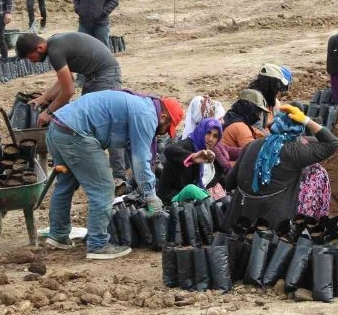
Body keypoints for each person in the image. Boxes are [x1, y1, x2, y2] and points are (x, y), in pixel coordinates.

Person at [44, 90, 183, 258]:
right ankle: (98, 244)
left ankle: (58, 235)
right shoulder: (147, 115)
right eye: (167, 129)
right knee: (103, 188)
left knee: (66, 183)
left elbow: (135, 153)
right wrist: (151, 195)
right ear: (164, 117)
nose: (164, 133)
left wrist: (143, 185)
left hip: (58, 127)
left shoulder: (141, 105)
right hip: (76, 134)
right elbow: (140, 159)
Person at [16, 32, 127, 183]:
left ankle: (119, 177)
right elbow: (67, 80)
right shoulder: (54, 43)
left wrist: (49, 112)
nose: (33, 62)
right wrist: (44, 98)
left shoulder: (55, 52)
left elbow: (68, 90)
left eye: (31, 57)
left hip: (105, 77)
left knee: (108, 126)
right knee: (89, 126)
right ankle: (95, 170)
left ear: (39, 47)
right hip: (92, 77)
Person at [224, 104, 338, 230]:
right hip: (270, 226)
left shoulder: (252, 145)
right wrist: (306, 120)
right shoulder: (294, 151)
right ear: (298, 133)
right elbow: (332, 143)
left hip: (238, 219)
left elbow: (229, 183)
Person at [157, 118, 225, 204]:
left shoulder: (210, 155)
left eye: (215, 136)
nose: (211, 139)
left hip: (191, 202)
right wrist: (192, 157)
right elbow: (169, 149)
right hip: (171, 197)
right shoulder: (188, 144)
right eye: (208, 133)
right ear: (201, 131)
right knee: (191, 189)